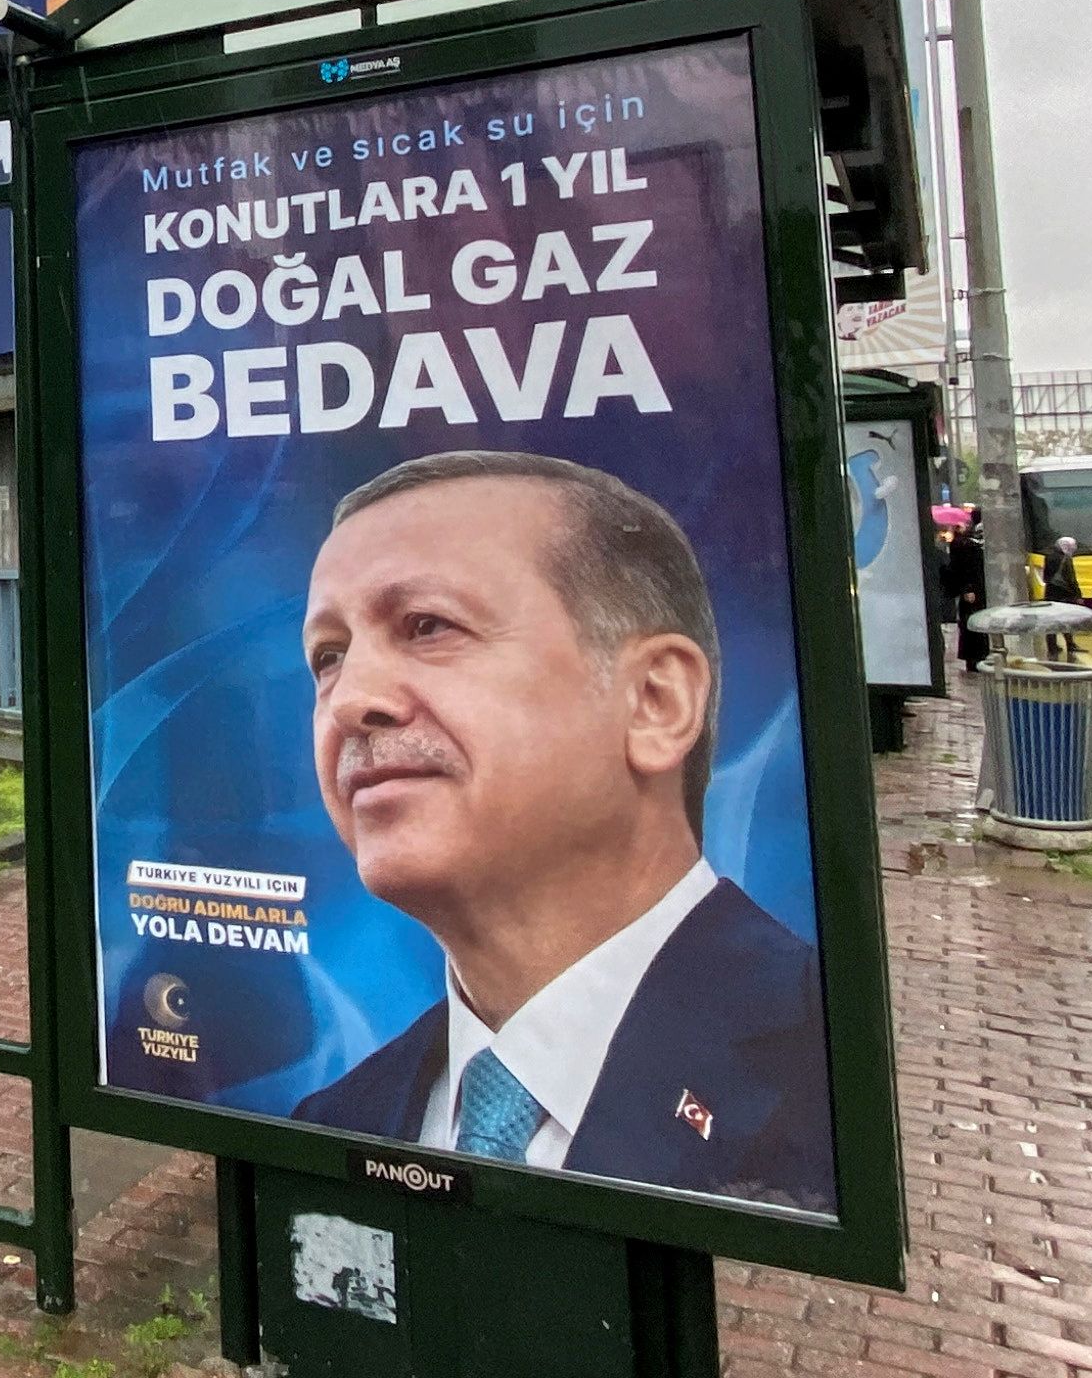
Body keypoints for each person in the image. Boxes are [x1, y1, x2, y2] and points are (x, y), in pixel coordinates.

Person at [288, 450, 834, 1212]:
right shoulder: (338, 1119)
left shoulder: (829, 1067)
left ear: (654, 701)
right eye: (328, 656)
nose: (350, 700)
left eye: (426, 626)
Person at [946, 504, 989, 670]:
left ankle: (981, 656)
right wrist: (966, 589)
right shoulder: (962, 544)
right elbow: (960, 569)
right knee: (971, 623)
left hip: (979, 589)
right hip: (971, 591)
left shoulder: (975, 541)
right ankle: (973, 659)